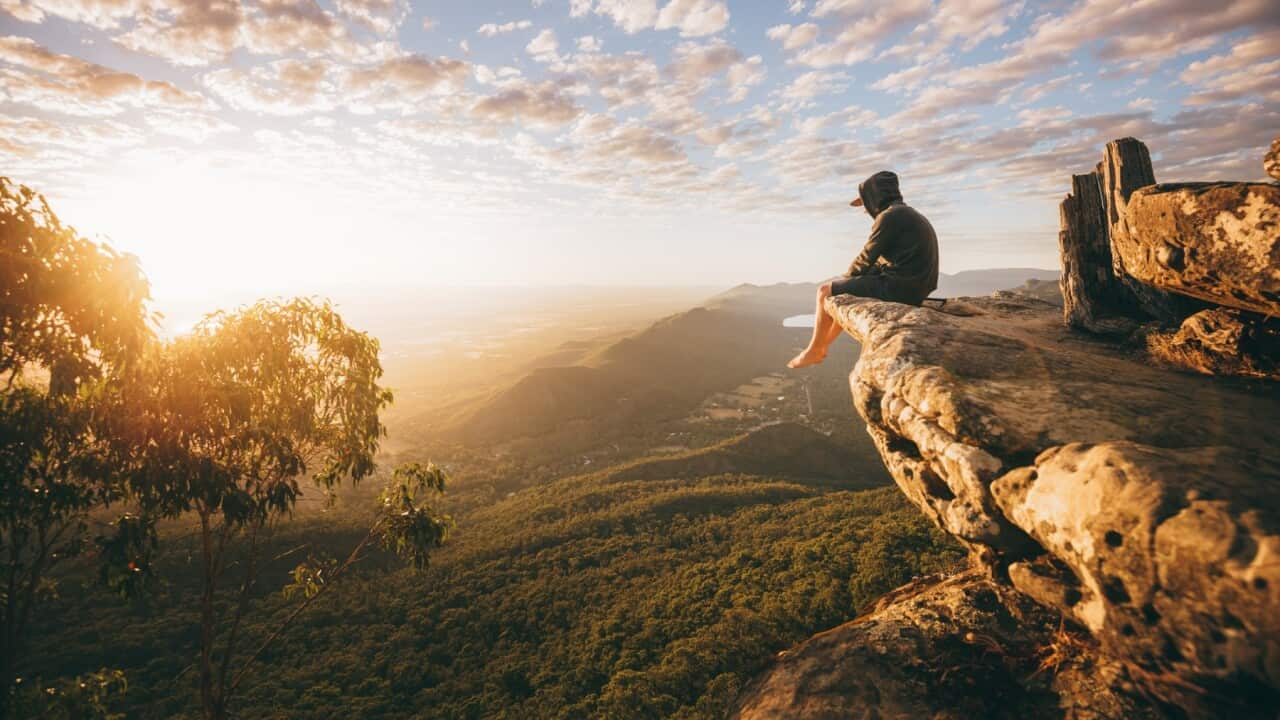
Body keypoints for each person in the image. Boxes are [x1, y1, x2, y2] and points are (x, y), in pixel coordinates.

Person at [788, 170, 939, 369]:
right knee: (849, 289)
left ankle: (814, 349)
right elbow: (881, 261)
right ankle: (823, 345)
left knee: (824, 291)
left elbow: (867, 256)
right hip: (916, 286)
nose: (864, 210)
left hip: (901, 287)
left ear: (875, 198)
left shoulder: (889, 217)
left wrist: (843, 281)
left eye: (865, 203)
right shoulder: (906, 214)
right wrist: (850, 282)